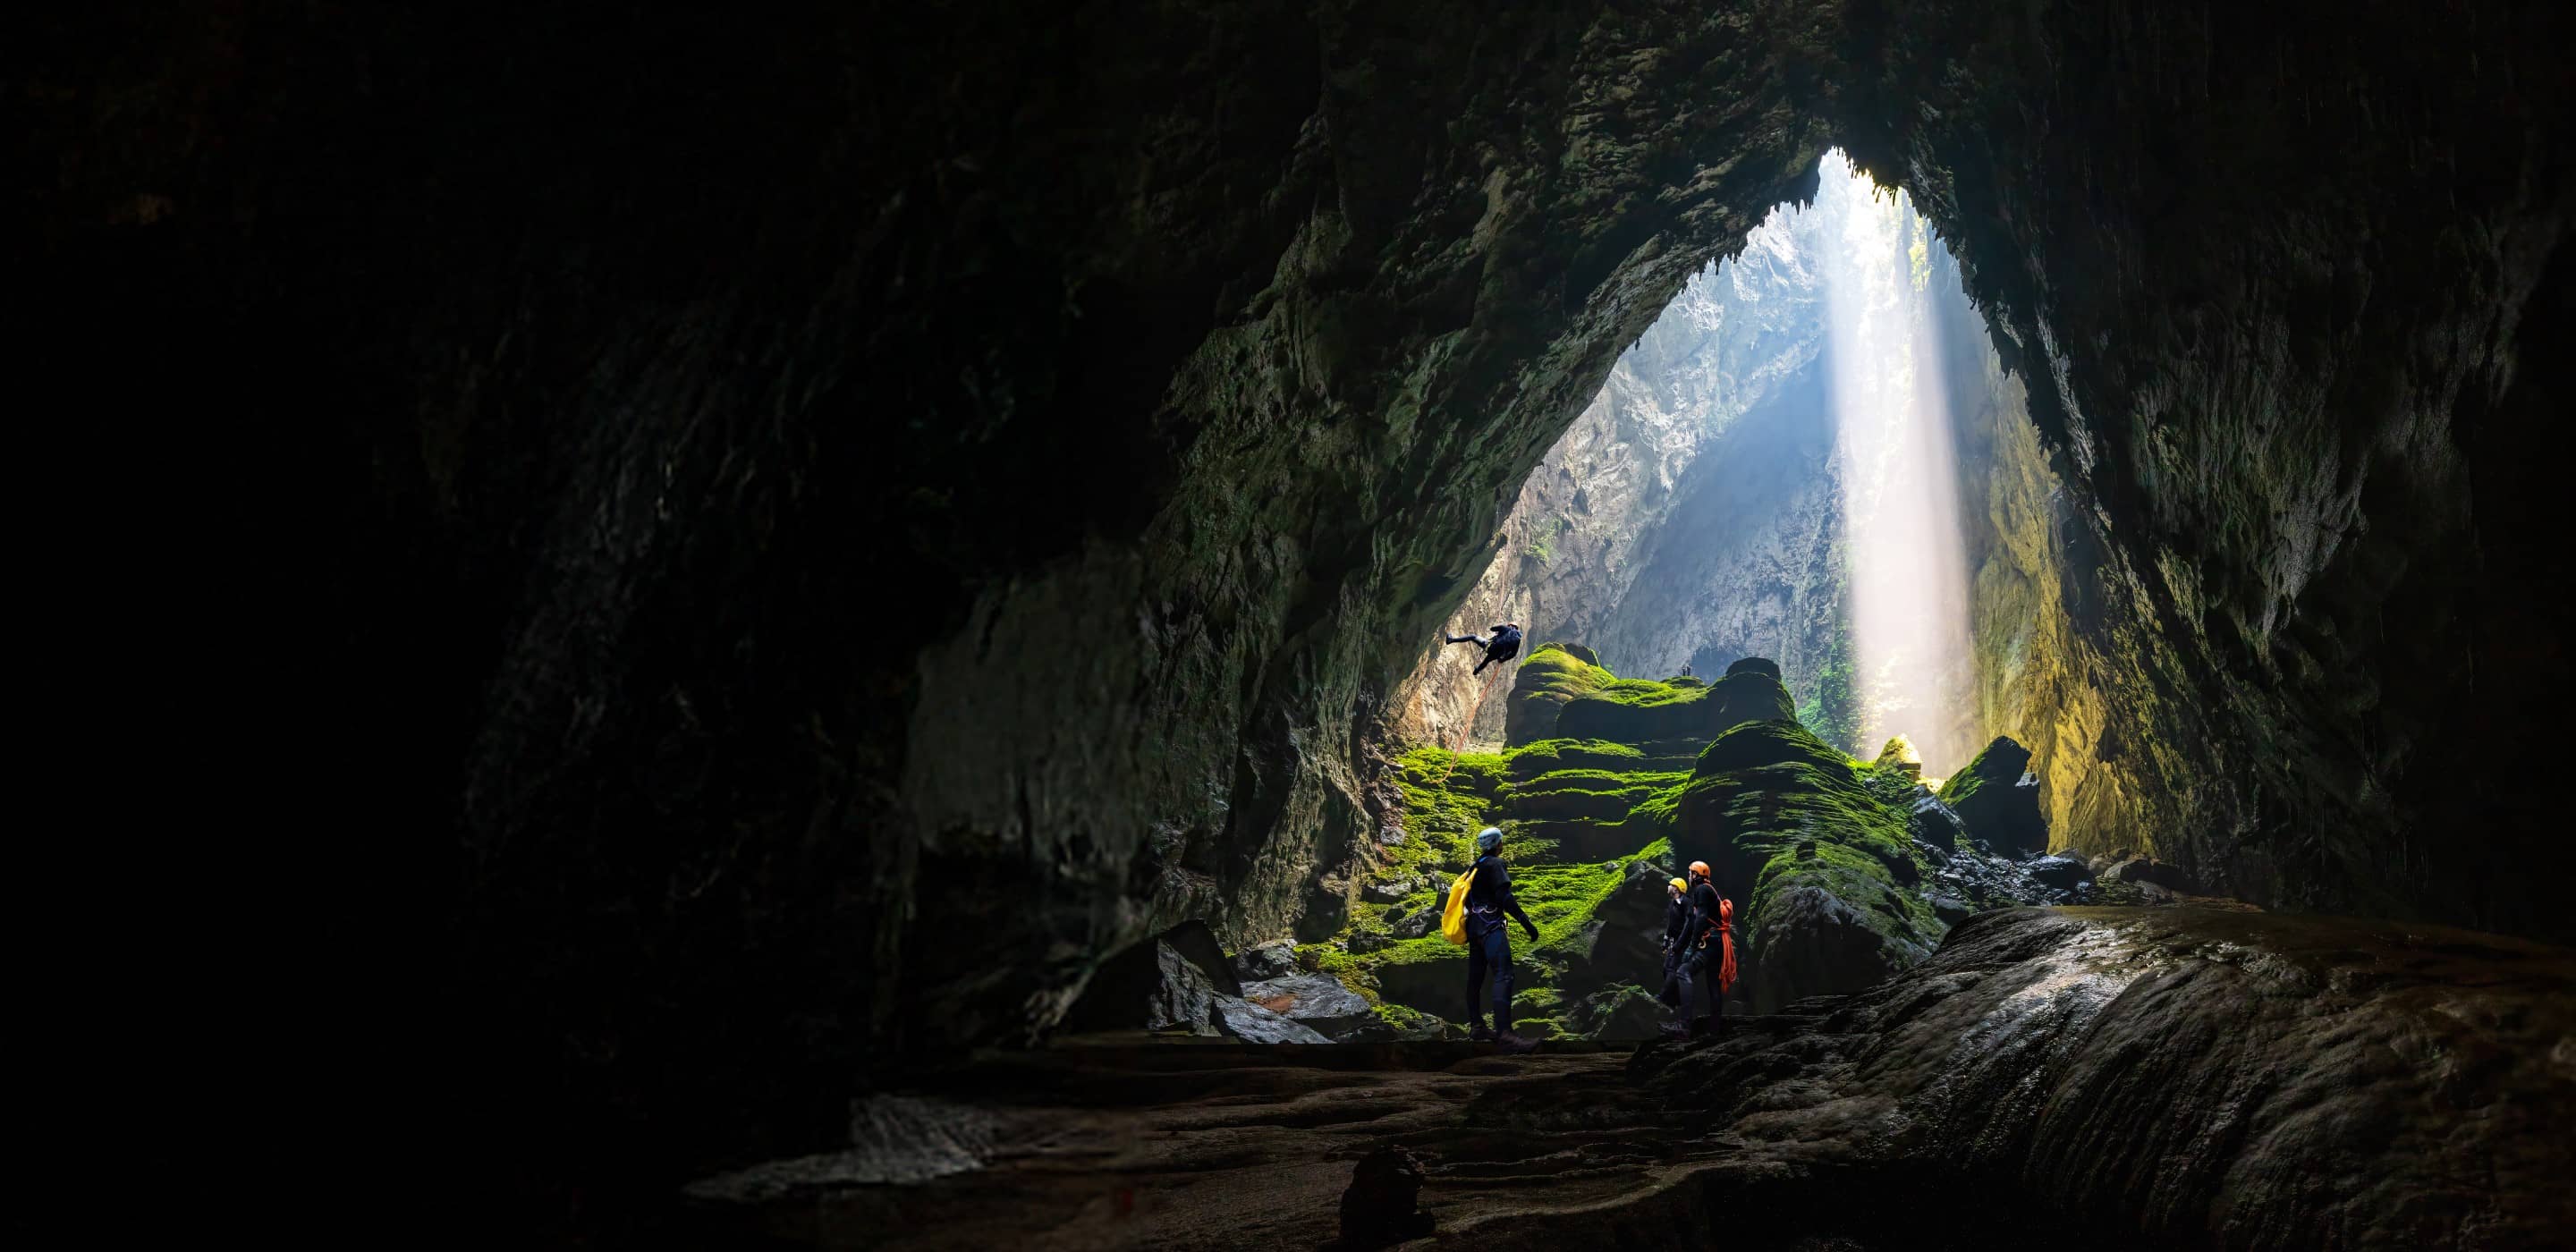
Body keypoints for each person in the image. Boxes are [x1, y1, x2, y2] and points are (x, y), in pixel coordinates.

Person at [1462, 826, 1541, 1046]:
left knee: (1475, 979)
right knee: (1504, 974)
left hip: (1474, 928)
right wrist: (1526, 923)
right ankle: (1505, 1033)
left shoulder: (1473, 868)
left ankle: (1477, 1026)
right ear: (1498, 844)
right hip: (1491, 925)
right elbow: (1504, 896)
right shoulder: (1495, 864)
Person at [1677, 860, 1738, 1035]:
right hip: (1718, 943)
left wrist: (1691, 947)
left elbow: (1701, 918)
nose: (1689, 876)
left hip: (1711, 942)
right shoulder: (1709, 890)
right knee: (1713, 985)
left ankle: (1684, 1026)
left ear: (1696, 875)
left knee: (1683, 972)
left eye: (1690, 873)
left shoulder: (1702, 890)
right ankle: (1715, 1031)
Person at [1657, 876, 1691, 1026]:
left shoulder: (1687, 903)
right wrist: (1666, 940)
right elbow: (1671, 924)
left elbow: (1689, 925)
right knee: (1666, 969)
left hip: (1683, 943)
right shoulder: (1672, 904)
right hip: (1674, 942)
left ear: (1676, 888)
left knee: (1672, 969)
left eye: (1670, 884)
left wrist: (1680, 943)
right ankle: (1674, 1000)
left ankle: (1662, 997)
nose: (1668, 886)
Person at [1444, 622, 1524, 676]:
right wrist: (1502, 660)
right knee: (1487, 660)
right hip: (1497, 655)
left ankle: (1451, 640)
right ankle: (1476, 671)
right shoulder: (1517, 639)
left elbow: (1492, 629)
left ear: (1510, 625)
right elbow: (1513, 654)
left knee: (1473, 637)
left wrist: (1499, 630)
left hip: (1490, 646)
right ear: (1516, 629)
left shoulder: (1505, 628)